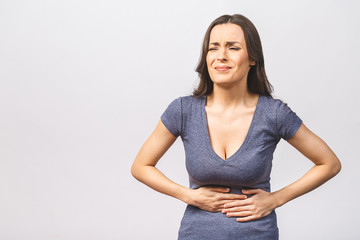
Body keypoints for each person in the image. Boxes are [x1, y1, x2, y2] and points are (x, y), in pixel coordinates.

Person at [131, 14, 341, 240]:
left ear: (252, 58)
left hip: (258, 234)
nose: (221, 56)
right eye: (213, 48)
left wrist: (276, 199)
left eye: (232, 48)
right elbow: (141, 166)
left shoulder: (273, 113)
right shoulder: (183, 110)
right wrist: (189, 196)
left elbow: (329, 163)